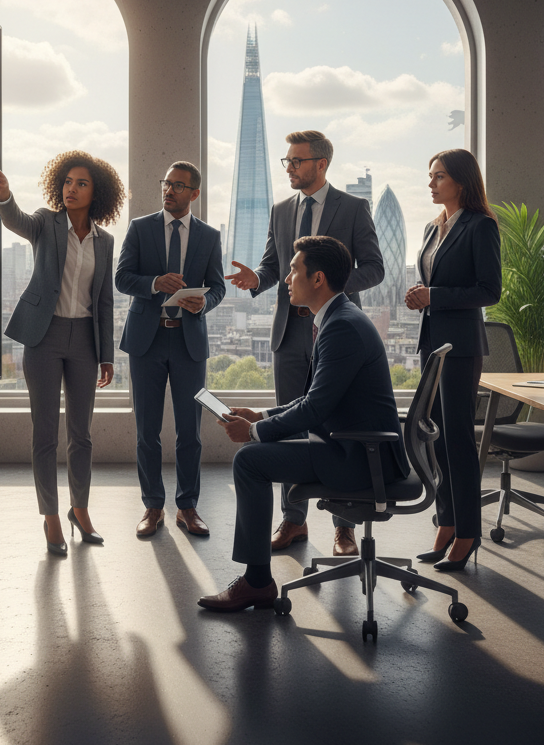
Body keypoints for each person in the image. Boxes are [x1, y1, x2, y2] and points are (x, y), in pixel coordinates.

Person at [198, 235, 408, 611]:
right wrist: (260, 416)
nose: (285, 278)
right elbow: (313, 400)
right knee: (256, 453)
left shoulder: (341, 327)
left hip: (360, 456)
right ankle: (257, 579)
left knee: (250, 460)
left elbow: (314, 409)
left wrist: (252, 433)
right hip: (352, 445)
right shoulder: (338, 318)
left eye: (294, 270)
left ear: (317, 279)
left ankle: (257, 583)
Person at [225, 130, 384, 557]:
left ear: (321, 164)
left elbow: (374, 267)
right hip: (290, 331)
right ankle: (293, 521)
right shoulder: (280, 211)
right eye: (287, 161)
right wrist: (257, 278)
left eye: (297, 161)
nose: (290, 167)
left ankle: (345, 528)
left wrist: (328, 287)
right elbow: (274, 265)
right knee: (287, 429)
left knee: (335, 424)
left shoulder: (353, 208)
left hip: (333, 326)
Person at [0, 150, 125, 556]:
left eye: (81, 183)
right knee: (45, 433)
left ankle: (79, 510)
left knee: (82, 435)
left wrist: (107, 355)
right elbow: (16, 220)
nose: (71, 189)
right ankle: (50, 517)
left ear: (96, 193)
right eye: (67, 182)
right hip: (43, 338)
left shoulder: (106, 240)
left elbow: (105, 302)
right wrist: (5, 194)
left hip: (84, 340)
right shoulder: (46, 223)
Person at [115, 161, 225, 538]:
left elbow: (218, 286)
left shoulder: (208, 236)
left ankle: (188, 507)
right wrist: (155, 283)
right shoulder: (140, 228)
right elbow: (121, 277)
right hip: (147, 341)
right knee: (147, 431)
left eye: (178, 186)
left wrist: (204, 303)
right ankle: (152, 507)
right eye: (166, 183)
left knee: (190, 432)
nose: (169, 190)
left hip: (188, 341)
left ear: (194, 193)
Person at [404, 149, 501, 572]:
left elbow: (489, 290)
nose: (431, 183)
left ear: (460, 181)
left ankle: (468, 533)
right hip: (433, 342)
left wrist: (436, 297)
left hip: (461, 347)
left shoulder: (480, 227)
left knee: (458, 440)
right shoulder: (433, 227)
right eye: (430, 176)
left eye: (438, 176)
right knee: (436, 439)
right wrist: (419, 295)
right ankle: (445, 523)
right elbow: (434, 281)